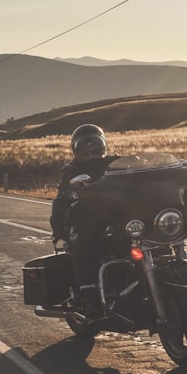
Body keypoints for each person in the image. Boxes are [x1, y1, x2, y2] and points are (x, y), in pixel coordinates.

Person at [49, 124, 119, 317]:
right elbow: (62, 196)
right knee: (83, 244)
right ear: (76, 151)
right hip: (84, 216)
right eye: (85, 151)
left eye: (95, 150)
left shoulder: (115, 163)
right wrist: (73, 192)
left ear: (103, 148)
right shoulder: (70, 170)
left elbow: (135, 171)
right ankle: (89, 297)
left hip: (116, 214)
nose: (90, 155)